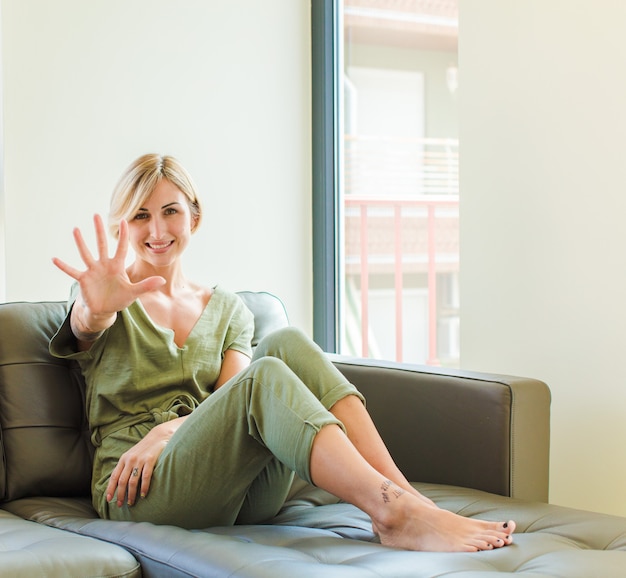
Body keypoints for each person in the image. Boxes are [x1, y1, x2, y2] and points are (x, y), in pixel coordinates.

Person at [50, 153, 516, 552]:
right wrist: (93, 310)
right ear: (122, 227)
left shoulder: (230, 309)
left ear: (194, 216)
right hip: (138, 487)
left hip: (239, 490)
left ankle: (410, 501)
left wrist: (170, 429)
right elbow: (86, 326)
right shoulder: (105, 297)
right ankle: (393, 512)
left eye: (170, 211)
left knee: (285, 344)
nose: (157, 229)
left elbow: (232, 398)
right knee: (266, 373)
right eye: (140, 216)